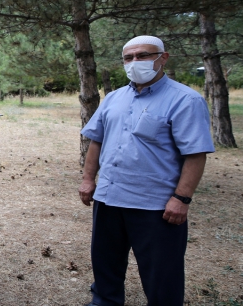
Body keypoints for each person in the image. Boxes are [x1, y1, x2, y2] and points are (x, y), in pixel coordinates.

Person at [78, 35, 215, 306]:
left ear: (162, 58)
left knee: (162, 276)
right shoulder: (114, 98)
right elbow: (97, 140)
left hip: (155, 206)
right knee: (105, 267)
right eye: (128, 58)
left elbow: (196, 154)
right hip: (108, 199)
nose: (134, 62)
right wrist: (87, 179)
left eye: (143, 55)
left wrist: (182, 198)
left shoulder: (185, 100)